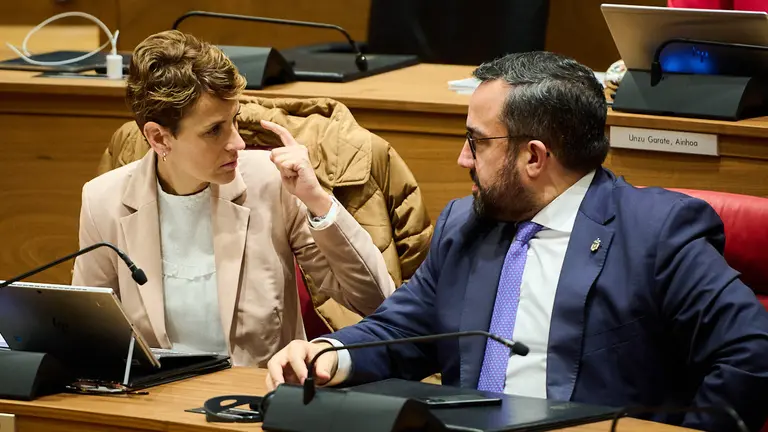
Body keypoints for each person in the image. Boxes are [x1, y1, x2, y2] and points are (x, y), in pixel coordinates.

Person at [266, 51, 768, 431]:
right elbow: (405, 328)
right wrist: (331, 353)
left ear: (534, 157)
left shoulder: (656, 232)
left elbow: (751, 350)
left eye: (476, 142)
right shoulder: (465, 222)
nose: (464, 160)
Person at [71, 30, 396, 367]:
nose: (238, 143)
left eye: (234, 122)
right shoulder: (103, 201)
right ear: (159, 138)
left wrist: (317, 202)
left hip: (257, 396)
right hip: (156, 398)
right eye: (214, 130)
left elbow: (376, 300)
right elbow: (90, 333)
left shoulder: (272, 185)